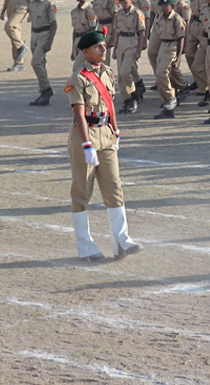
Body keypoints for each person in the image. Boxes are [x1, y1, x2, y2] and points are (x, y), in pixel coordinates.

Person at [67, 29, 142, 261]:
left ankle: (122, 242)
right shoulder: (78, 79)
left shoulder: (108, 72)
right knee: (82, 192)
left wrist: (115, 131)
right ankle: (86, 248)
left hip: (106, 133)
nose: (103, 49)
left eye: (104, 45)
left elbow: (110, 105)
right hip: (86, 135)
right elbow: (79, 115)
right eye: (97, 47)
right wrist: (86, 145)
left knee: (114, 188)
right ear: (85, 51)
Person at [150, 0, 187, 119]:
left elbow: (181, 38)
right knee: (159, 75)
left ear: (172, 6)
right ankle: (167, 107)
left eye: (166, 5)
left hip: (172, 46)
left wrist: (178, 58)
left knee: (161, 72)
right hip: (163, 45)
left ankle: (171, 97)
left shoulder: (177, 19)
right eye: (162, 5)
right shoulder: (160, 17)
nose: (164, 7)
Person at [27, 0, 58, 106]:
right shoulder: (32, 4)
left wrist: (50, 42)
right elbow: (32, 21)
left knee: (35, 62)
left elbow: (54, 24)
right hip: (35, 34)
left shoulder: (49, 4)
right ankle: (43, 93)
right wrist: (32, 37)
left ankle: (47, 89)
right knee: (41, 64)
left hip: (44, 34)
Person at [2, 0, 34, 71]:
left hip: (22, 3)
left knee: (9, 26)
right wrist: (3, 11)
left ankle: (21, 46)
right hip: (11, 3)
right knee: (14, 33)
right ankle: (18, 63)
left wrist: (31, 12)